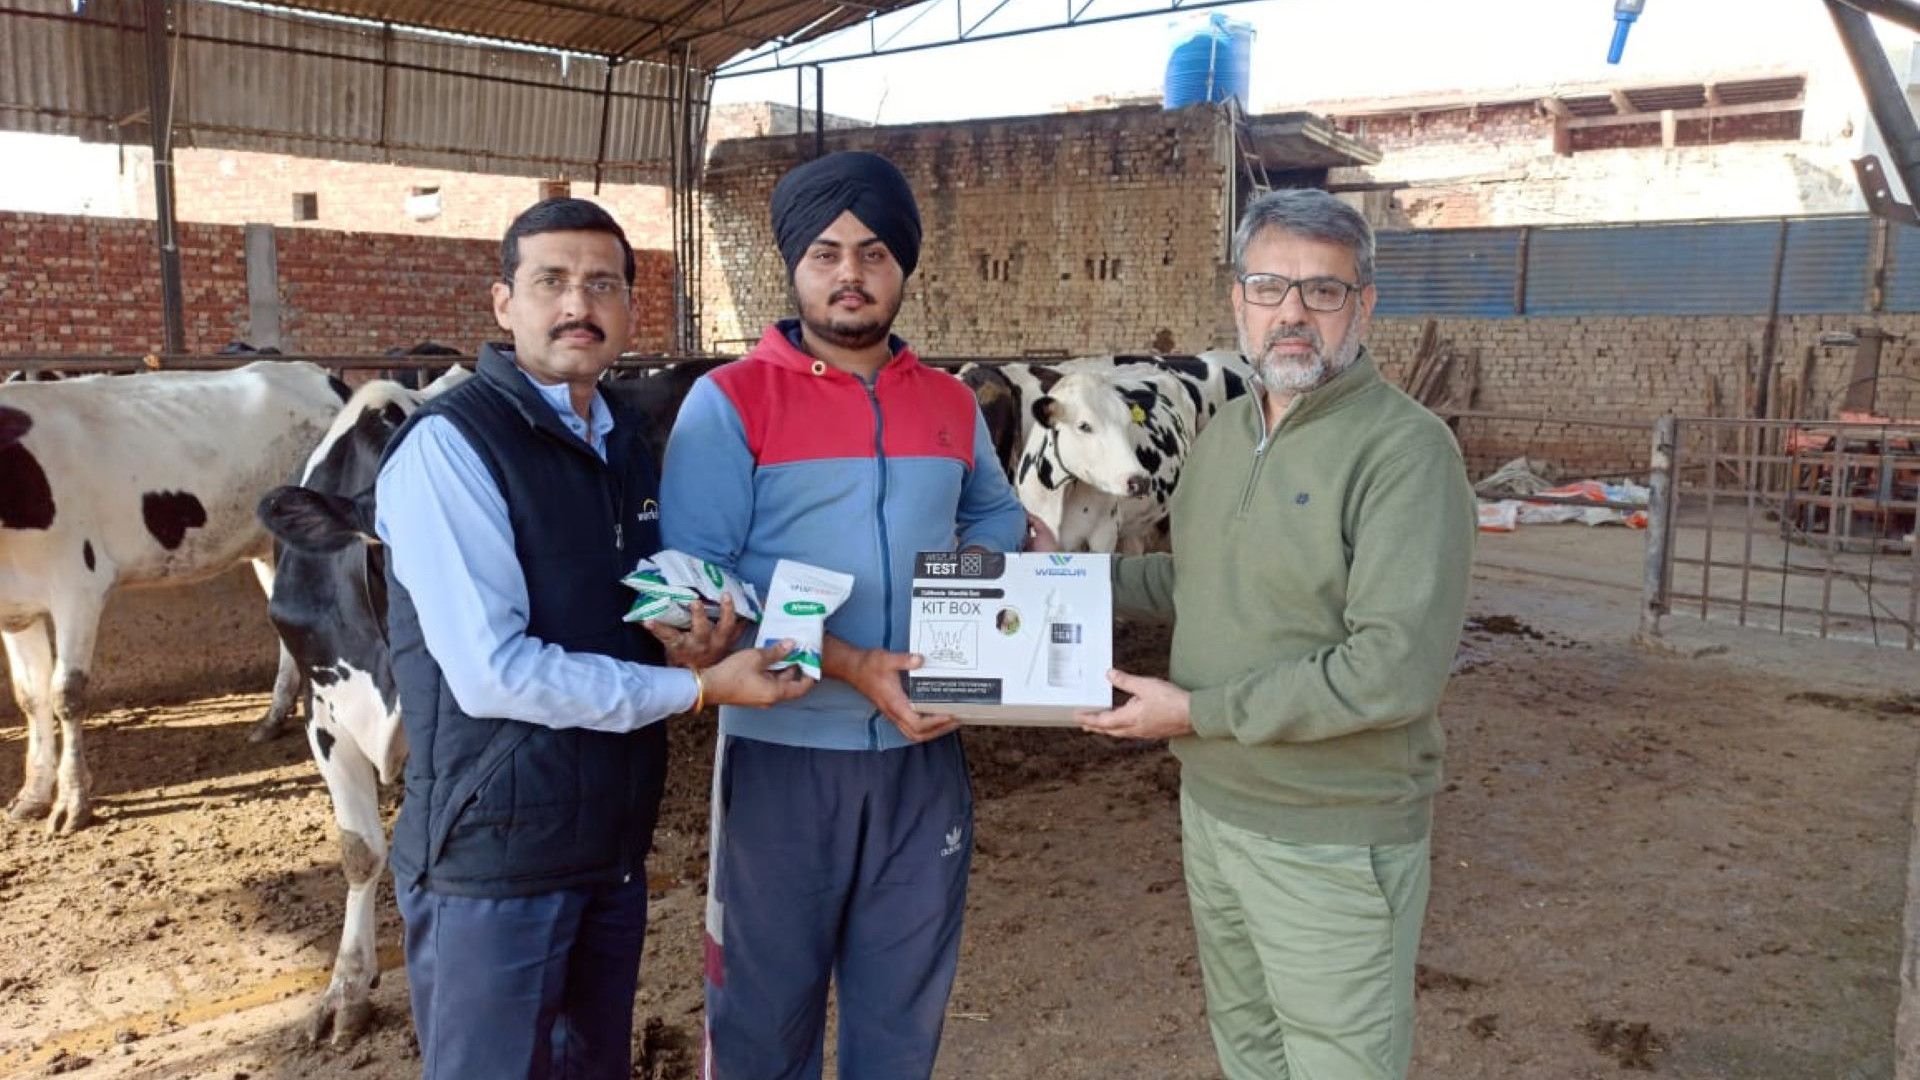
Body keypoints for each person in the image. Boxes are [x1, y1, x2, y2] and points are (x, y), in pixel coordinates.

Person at [374, 197, 811, 1080]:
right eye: (552, 282)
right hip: (494, 858)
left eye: (602, 284)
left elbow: (625, 608)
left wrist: (683, 644)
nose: (579, 304)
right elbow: (492, 673)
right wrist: (699, 690)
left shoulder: (620, 444)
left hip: (608, 845)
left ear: (629, 311)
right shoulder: (451, 448)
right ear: (504, 304)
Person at [1075, 188, 1477, 1080]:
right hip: (1213, 810)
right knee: (1249, 1046)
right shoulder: (1224, 432)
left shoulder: (1405, 454)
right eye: (1269, 288)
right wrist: (1061, 582)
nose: (1292, 312)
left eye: (1322, 291)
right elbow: (1196, 583)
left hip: (1330, 832)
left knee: (1338, 1062)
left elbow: (1392, 671)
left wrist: (1197, 714)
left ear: (1363, 306)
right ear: (1238, 303)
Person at [657, 150, 1029, 1080]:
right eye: (825, 253)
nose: (850, 274)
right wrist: (857, 662)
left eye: (872, 253)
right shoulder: (729, 403)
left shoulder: (948, 403)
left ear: (903, 266)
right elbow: (704, 579)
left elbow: (994, 510)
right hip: (783, 755)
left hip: (925, 753)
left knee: (901, 1017)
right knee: (762, 1020)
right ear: (796, 266)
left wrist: (970, 599)